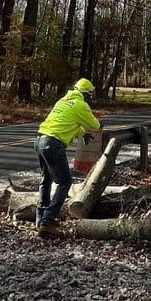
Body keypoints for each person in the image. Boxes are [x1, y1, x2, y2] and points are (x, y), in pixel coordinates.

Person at [33, 77, 101, 237]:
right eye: (90, 94)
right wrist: (90, 127)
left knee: (46, 180)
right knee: (64, 182)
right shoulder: (81, 105)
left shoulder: (62, 101)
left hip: (40, 140)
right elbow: (95, 125)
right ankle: (47, 222)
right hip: (53, 144)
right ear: (86, 94)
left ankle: (40, 218)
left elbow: (67, 122)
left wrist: (82, 133)